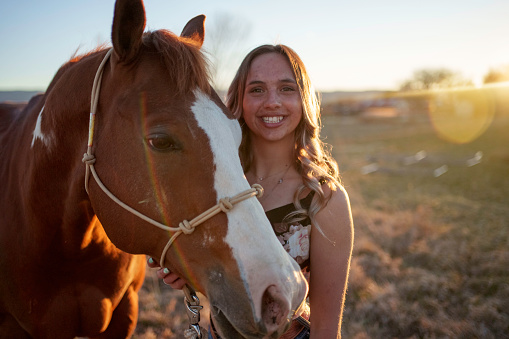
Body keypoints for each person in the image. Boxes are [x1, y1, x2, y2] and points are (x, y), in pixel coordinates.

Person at [148, 44, 354, 339]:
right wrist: (186, 271)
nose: (272, 102)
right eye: (257, 90)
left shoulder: (325, 199)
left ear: (304, 99)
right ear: (239, 100)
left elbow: (326, 327)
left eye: (286, 89)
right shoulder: (216, 186)